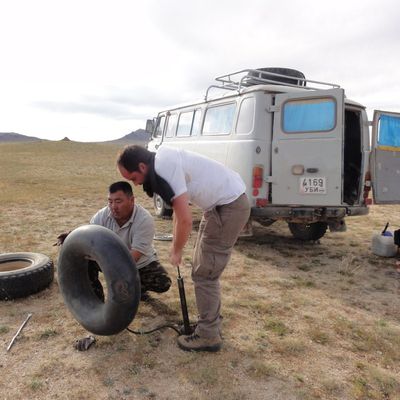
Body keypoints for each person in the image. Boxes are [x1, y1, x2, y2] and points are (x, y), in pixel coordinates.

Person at [117, 145, 250, 352]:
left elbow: (186, 221)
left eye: (133, 178)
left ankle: (208, 335)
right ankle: (210, 322)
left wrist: (177, 250)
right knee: (201, 269)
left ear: (142, 167)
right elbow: (179, 213)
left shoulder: (164, 166)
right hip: (218, 207)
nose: (135, 183)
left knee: (205, 274)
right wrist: (174, 244)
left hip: (229, 207)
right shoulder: (161, 161)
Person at [56, 181, 171, 301]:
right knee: (85, 262)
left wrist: (117, 278)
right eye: (110, 201)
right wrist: (71, 236)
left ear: (132, 200)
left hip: (138, 264)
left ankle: (137, 289)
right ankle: (96, 302)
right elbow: (88, 236)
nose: (113, 207)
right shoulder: (102, 216)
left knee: (163, 282)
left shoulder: (144, 220)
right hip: (108, 260)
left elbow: (133, 258)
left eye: (118, 201)